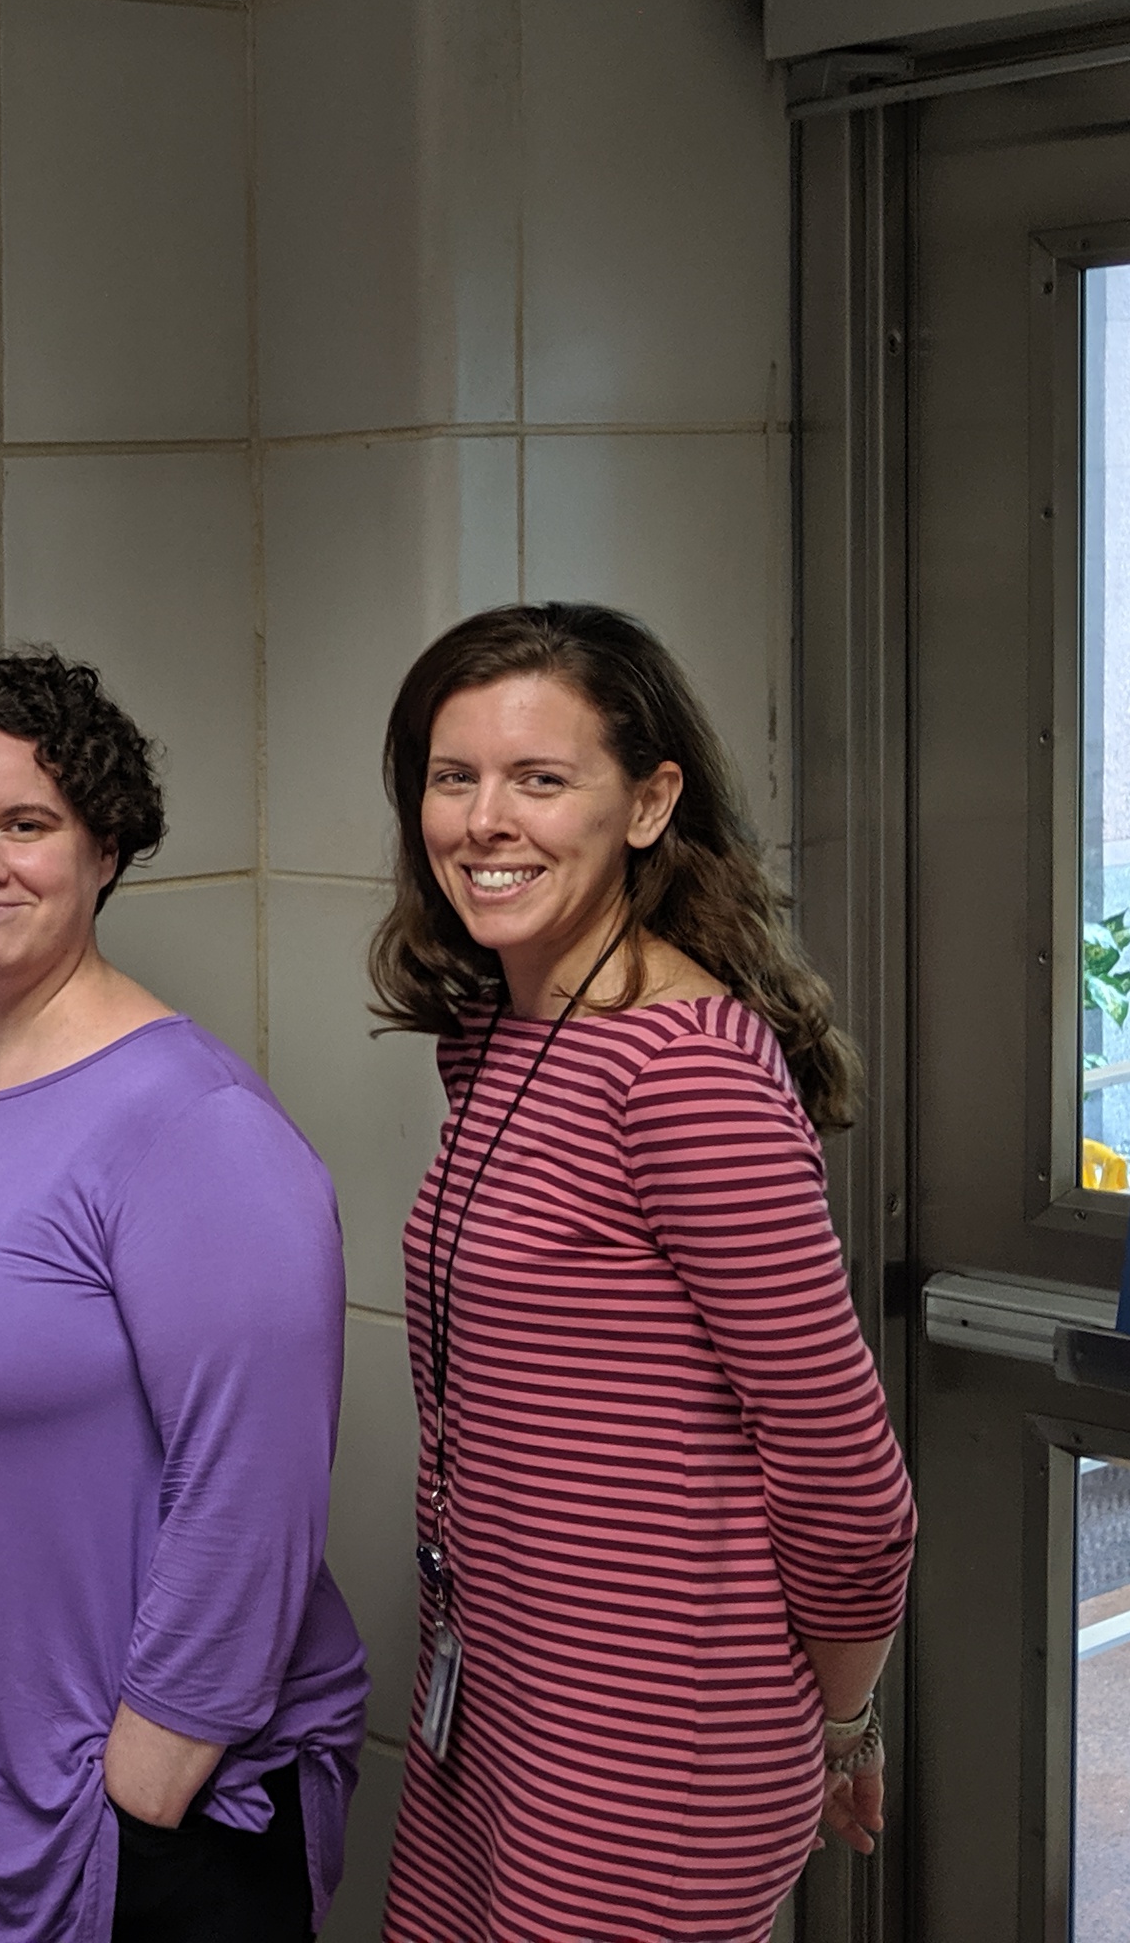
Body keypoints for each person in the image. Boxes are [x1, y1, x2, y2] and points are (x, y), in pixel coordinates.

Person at [0, 648, 365, 1942]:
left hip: (116, 1827)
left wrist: (148, 1780)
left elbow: (255, 1493)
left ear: (105, 846)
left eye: (25, 824)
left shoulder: (193, 1128)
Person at [367, 605, 911, 1941]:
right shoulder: (507, 1032)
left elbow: (846, 1472)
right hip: (499, 1704)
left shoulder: (685, 1074)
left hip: (648, 1746)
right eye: (455, 778)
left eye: (541, 780)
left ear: (651, 802)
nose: (486, 822)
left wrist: (842, 1720)